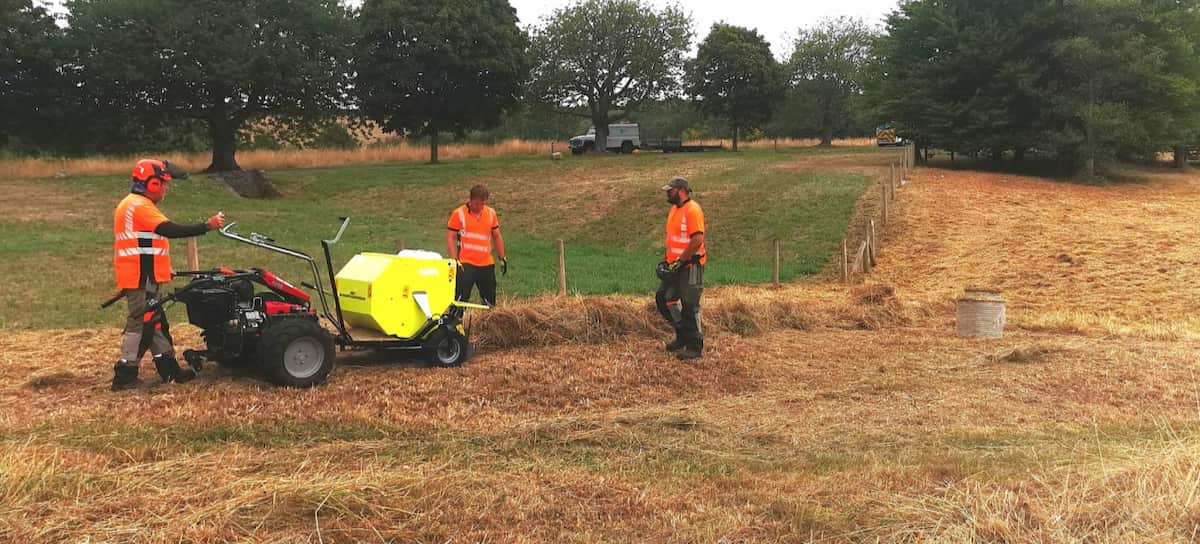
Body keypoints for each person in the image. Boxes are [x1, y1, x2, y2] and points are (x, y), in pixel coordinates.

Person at [111, 159, 226, 391]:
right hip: (141, 278)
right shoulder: (139, 205)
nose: (166, 188)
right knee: (141, 324)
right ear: (152, 184)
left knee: (156, 323)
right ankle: (125, 374)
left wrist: (163, 270)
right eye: (164, 183)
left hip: (144, 276)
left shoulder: (134, 204)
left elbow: (145, 245)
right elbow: (169, 230)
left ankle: (170, 371)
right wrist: (206, 226)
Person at [656, 176, 707, 360]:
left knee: (690, 305)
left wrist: (680, 262)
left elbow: (697, 239)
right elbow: (673, 239)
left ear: (681, 191)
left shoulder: (692, 210)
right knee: (664, 298)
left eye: (670, 190)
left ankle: (695, 346)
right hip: (675, 266)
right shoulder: (674, 210)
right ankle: (682, 336)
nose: (667, 193)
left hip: (691, 266)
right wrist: (667, 262)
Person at [446, 184, 507, 306]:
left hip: (486, 264)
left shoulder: (491, 213)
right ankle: (456, 323)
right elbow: (450, 237)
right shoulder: (458, 214)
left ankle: (488, 324)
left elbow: (497, 236)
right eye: (476, 204)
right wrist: (454, 260)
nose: (479, 207)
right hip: (465, 264)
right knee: (460, 302)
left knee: (490, 303)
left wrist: (502, 258)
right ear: (470, 199)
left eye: (482, 204)